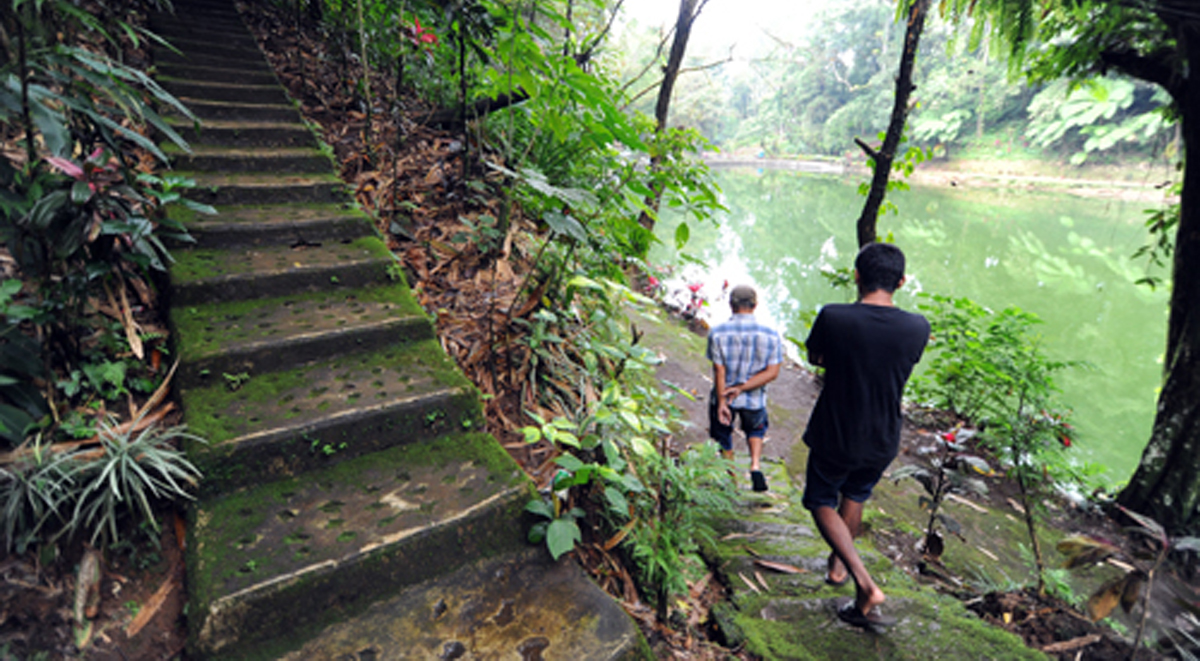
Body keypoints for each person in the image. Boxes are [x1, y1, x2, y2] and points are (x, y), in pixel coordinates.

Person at [802, 242, 930, 628]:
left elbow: (815, 357)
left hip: (836, 429)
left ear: (856, 275)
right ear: (901, 282)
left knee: (820, 499)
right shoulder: (917, 327)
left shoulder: (834, 316)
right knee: (856, 493)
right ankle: (837, 567)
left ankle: (864, 583)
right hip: (883, 435)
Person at [706, 285, 783, 492]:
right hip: (755, 398)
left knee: (723, 434)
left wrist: (724, 400)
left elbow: (718, 370)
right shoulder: (771, 334)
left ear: (731, 305)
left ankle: (732, 479)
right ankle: (755, 465)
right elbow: (772, 372)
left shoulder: (717, 332)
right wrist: (744, 387)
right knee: (756, 430)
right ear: (755, 305)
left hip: (724, 396)